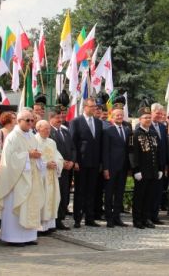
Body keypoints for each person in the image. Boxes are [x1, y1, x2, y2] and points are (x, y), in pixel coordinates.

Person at [0, 109, 45, 246]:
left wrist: (37, 156)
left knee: (29, 206)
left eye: (32, 120)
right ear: (19, 121)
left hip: (30, 176)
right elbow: (10, 159)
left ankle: (28, 237)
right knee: (16, 207)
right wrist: (28, 155)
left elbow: (36, 153)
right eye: (27, 120)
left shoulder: (32, 136)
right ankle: (13, 238)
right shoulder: (13, 137)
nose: (30, 123)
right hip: (16, 180)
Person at [69, 98, 104, 228]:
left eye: (95, 106)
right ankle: (77, 218)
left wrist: (101, 162)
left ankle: (90, 217)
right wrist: (75, 161)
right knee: (80, 191)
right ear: (85, 107)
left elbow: (99, 143)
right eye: (92, 106)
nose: (94, 108)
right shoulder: (76, 122)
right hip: (81, 163)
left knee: (91, 191)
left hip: (94, 163)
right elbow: (73, 143)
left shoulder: (98, 123)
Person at [129, 107, 161, 229]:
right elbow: (132, 154)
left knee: (149, 196)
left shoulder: (153, 133)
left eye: (149, 117)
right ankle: (137, 220)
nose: (148, 119)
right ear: (140, 119)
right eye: (145, 117)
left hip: (152, 171)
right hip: (141, 172)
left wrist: (160, 169)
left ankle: (146, 218)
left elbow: (158, 152)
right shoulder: (135, 134)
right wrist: (136, 170)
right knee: (139, 196)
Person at [101, 107, 130, 228]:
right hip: (111, 167)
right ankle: (109, 218)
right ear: (112, 117)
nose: (119, 117)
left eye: (121, 115)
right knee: (109, 193)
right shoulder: (108, 131)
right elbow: (105, 151)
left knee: (120, 193)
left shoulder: (128, 130)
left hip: (123, 167)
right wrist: (106, 168)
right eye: (117, 115)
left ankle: (117, 217)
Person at [35, 120, 63, 232]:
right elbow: (33, 159)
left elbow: (58, 156)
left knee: (52, 199)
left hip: (51, 175)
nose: (48, 131)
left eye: (49, 129)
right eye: (45, 128)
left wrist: (56, 163)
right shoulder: (34, 140)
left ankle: (49, 225)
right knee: (41, 199)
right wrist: (46, 164)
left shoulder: (52, 142)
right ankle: (39, 226)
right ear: (38, 129)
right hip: (40, 176)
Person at [48, 110, 74, 230]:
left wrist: (72, 161)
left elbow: (73, 148)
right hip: (55, 169)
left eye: (61, 117)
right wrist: (61, 163)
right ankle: (54, 220)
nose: (60, 119)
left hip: (67, 169)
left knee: (64, 194)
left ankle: (61, 218)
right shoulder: (48, 132)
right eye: (57, 117)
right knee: (55, 195)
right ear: (51, 118)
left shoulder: (65, 131)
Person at [149, 103, 169, 225]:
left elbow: (165, 146)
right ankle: (147, 215)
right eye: (157, 113)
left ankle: (154, 215)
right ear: (152, 113)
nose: (160, 116)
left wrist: (165, 163)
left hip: (160, 164)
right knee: (149, 192)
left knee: (158, 191)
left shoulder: (162, 127)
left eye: (161, 114)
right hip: (150, 164)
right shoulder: (146, 125)